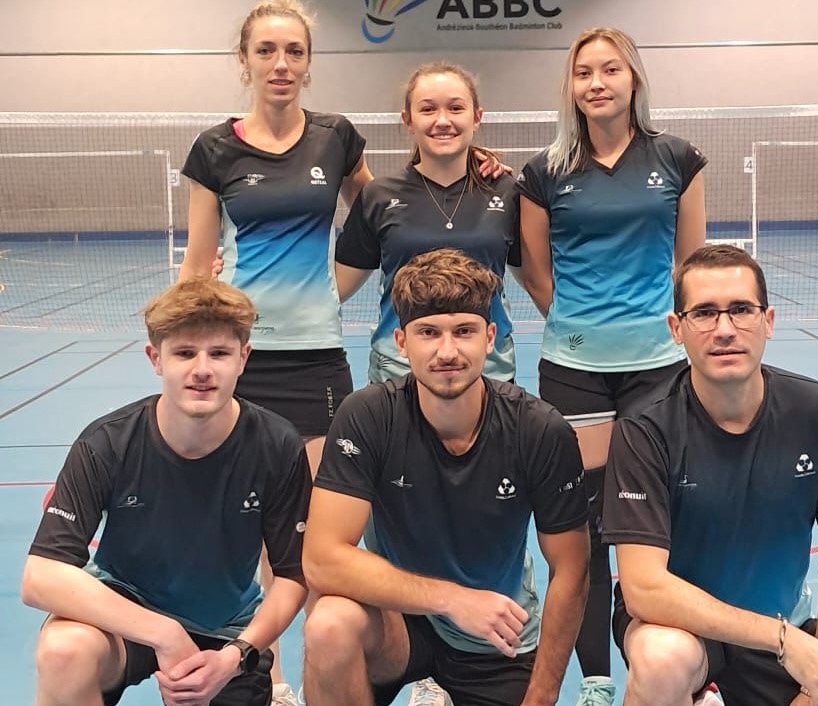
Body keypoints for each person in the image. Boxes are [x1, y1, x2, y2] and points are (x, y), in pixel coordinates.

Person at [178, 2, 369, 698]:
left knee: (324, 533)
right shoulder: (214, 150)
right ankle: (273, 676)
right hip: (244, 359)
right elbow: (198, 263)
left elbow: (380, 217)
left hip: (317, 358)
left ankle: (322, 673)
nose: (281, 64)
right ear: (246, 61)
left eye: (294, 51)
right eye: (266, 51)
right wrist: (187, 351)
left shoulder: (336, 138)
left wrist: (330, 294)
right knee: (258, 529)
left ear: (309, 62)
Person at [301, 248, 590, 706]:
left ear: (490, 338)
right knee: (329, 623)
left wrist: (541, 696)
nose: (447, 351)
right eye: (429, 333)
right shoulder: (368, 416)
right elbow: (321, 559)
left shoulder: (538, 429)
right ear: (401, 342)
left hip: (495, 633)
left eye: (464, 331)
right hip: (399, 622)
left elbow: (571, 569)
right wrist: (453, 599)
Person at [515, 27, 708, 704]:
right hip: (575, 371)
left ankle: (676, 666)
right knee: (588, 527)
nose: (596, 82)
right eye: (583, 73)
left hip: (659, 367)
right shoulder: (545, 171)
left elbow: (691, 264)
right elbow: (535, 270)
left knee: (660, 519)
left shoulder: (677, 158)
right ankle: (597, 678)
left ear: (634, 79)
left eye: (610, 69)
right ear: (570, 88)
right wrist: (581, 329)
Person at [602, 244, 818, 706]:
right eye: (704, 313)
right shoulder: (645, 429)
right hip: (682, 629)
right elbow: (644, 588)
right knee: (661, 659)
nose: (725, 329)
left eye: (742, 310)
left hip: (781, 622)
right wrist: (783, 639)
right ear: (676, 329)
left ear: (768, 321)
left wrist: (817, 676)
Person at [21, 278, 311, 706]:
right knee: (65, 651)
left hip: (225, 631)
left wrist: (238, 654)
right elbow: (41, 575)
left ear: (243, 358)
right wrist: (164, 633)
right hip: (126, 612)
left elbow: (290, 576)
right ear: (155, 358)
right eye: (185, 353)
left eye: (219, 353)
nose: (202, 369)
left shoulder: (277, 445)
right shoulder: (107, 443)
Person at [335, 61, 519, 385]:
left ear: (477, 117)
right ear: (408, 120)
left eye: (456, 108)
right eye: (428, 109)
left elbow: (539, 280)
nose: (442, 120)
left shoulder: (508, 193)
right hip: (398, 373)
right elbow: (334, 287)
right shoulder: (379, 196)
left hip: (488, 374)